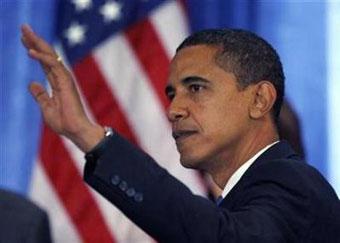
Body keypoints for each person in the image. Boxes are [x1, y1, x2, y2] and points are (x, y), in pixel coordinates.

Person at [21, 24, 340, 242]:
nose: (174, 109)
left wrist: (88, 134)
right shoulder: (243, 201)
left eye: (196, 88)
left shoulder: (293, 183)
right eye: (172, 94)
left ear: (259, 100)